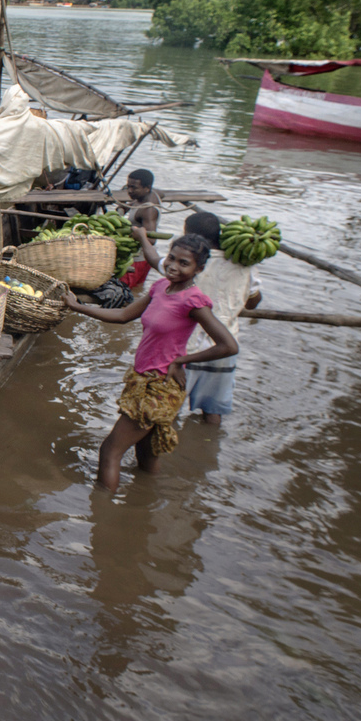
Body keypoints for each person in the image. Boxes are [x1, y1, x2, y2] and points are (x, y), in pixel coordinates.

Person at [63, 234, 238, 492]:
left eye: (184, 263)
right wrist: (76, 306)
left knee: (110, 450)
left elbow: (228, 346)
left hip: (159, 386)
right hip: (142, 378)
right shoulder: (160, 288)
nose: (174, 266)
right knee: (146, 453)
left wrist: (182, 360)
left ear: (198, 269)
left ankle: (101, 516)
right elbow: (123, 315)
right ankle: (146, 507)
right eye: (171, 258)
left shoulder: (193, 301)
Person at [134, 211, 262, 425]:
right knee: (212, 412)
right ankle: (206, 450)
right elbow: (252, 302)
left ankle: (165, 454)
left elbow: (155, 259)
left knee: (167, 410)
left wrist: (141, 238)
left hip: (186, 350)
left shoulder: (187, 263)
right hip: (221, 348)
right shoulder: (246, 265)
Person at [119, 169, 162, 290]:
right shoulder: (153, 194)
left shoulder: (147, 210)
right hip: (145, 260)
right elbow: (161, 193)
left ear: (147, 187)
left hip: (137, 260)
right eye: (128, 187)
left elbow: (152, 240)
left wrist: (134, 234)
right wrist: (126, 206)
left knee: (122, 292)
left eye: (134, 188)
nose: (130, 191)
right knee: (136, 290)